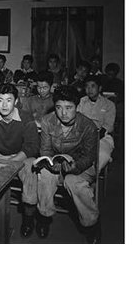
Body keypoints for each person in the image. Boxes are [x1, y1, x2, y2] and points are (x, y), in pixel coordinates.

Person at [36, 85, 100, 243]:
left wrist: (75, 167)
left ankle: (91, 224)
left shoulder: (88, 126)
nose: (63, 113)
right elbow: (45, 150)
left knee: (73, 182)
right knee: (44, 176)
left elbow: (89, 157)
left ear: (77, 107)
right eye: (59, 107)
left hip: (81, 166)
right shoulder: (47, 121)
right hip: (57, 164)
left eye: (69, 107)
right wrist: (51, 164)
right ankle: (44, 216)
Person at [0, 84, 40, 238]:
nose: (4, 105)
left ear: (16, 101)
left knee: (31, 170)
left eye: (9, 100)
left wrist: (12, 162)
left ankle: (28, 216)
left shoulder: (26, 118)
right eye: (0, 100)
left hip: (23, 155)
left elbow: (31, 147)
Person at [77, 75, 116, 171]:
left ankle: (93, 176)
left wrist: (93, 138)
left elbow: (108, 126)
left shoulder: (109, 104)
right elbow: (77, 119)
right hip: (82, 135)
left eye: (93, 86)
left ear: (100, 88)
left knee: (102, 155)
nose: (89, 89)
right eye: (87, 86)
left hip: (101, 137)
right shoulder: (81, 101)